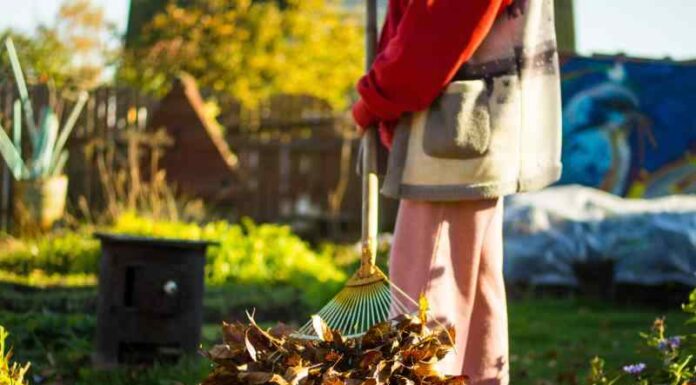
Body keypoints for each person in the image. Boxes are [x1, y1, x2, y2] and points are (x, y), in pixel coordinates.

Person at [351, 0, 563, 384]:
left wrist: (376, 97)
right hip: (473, 131)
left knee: (425, 305)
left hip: (453, 131)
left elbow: (437, 29)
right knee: (473, 298)